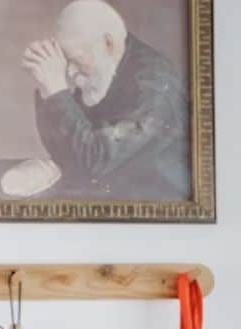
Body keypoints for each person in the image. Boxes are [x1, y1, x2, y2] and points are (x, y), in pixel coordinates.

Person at [21, 0, 190, 199]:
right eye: (66, 61)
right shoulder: (103, 68)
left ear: (108, 43)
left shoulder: (154, 87)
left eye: (76, 59)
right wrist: (46, 89)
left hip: (152, 203)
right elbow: (67, 155)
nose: (70, 72)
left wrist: (56, 90)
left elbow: (94, 159)